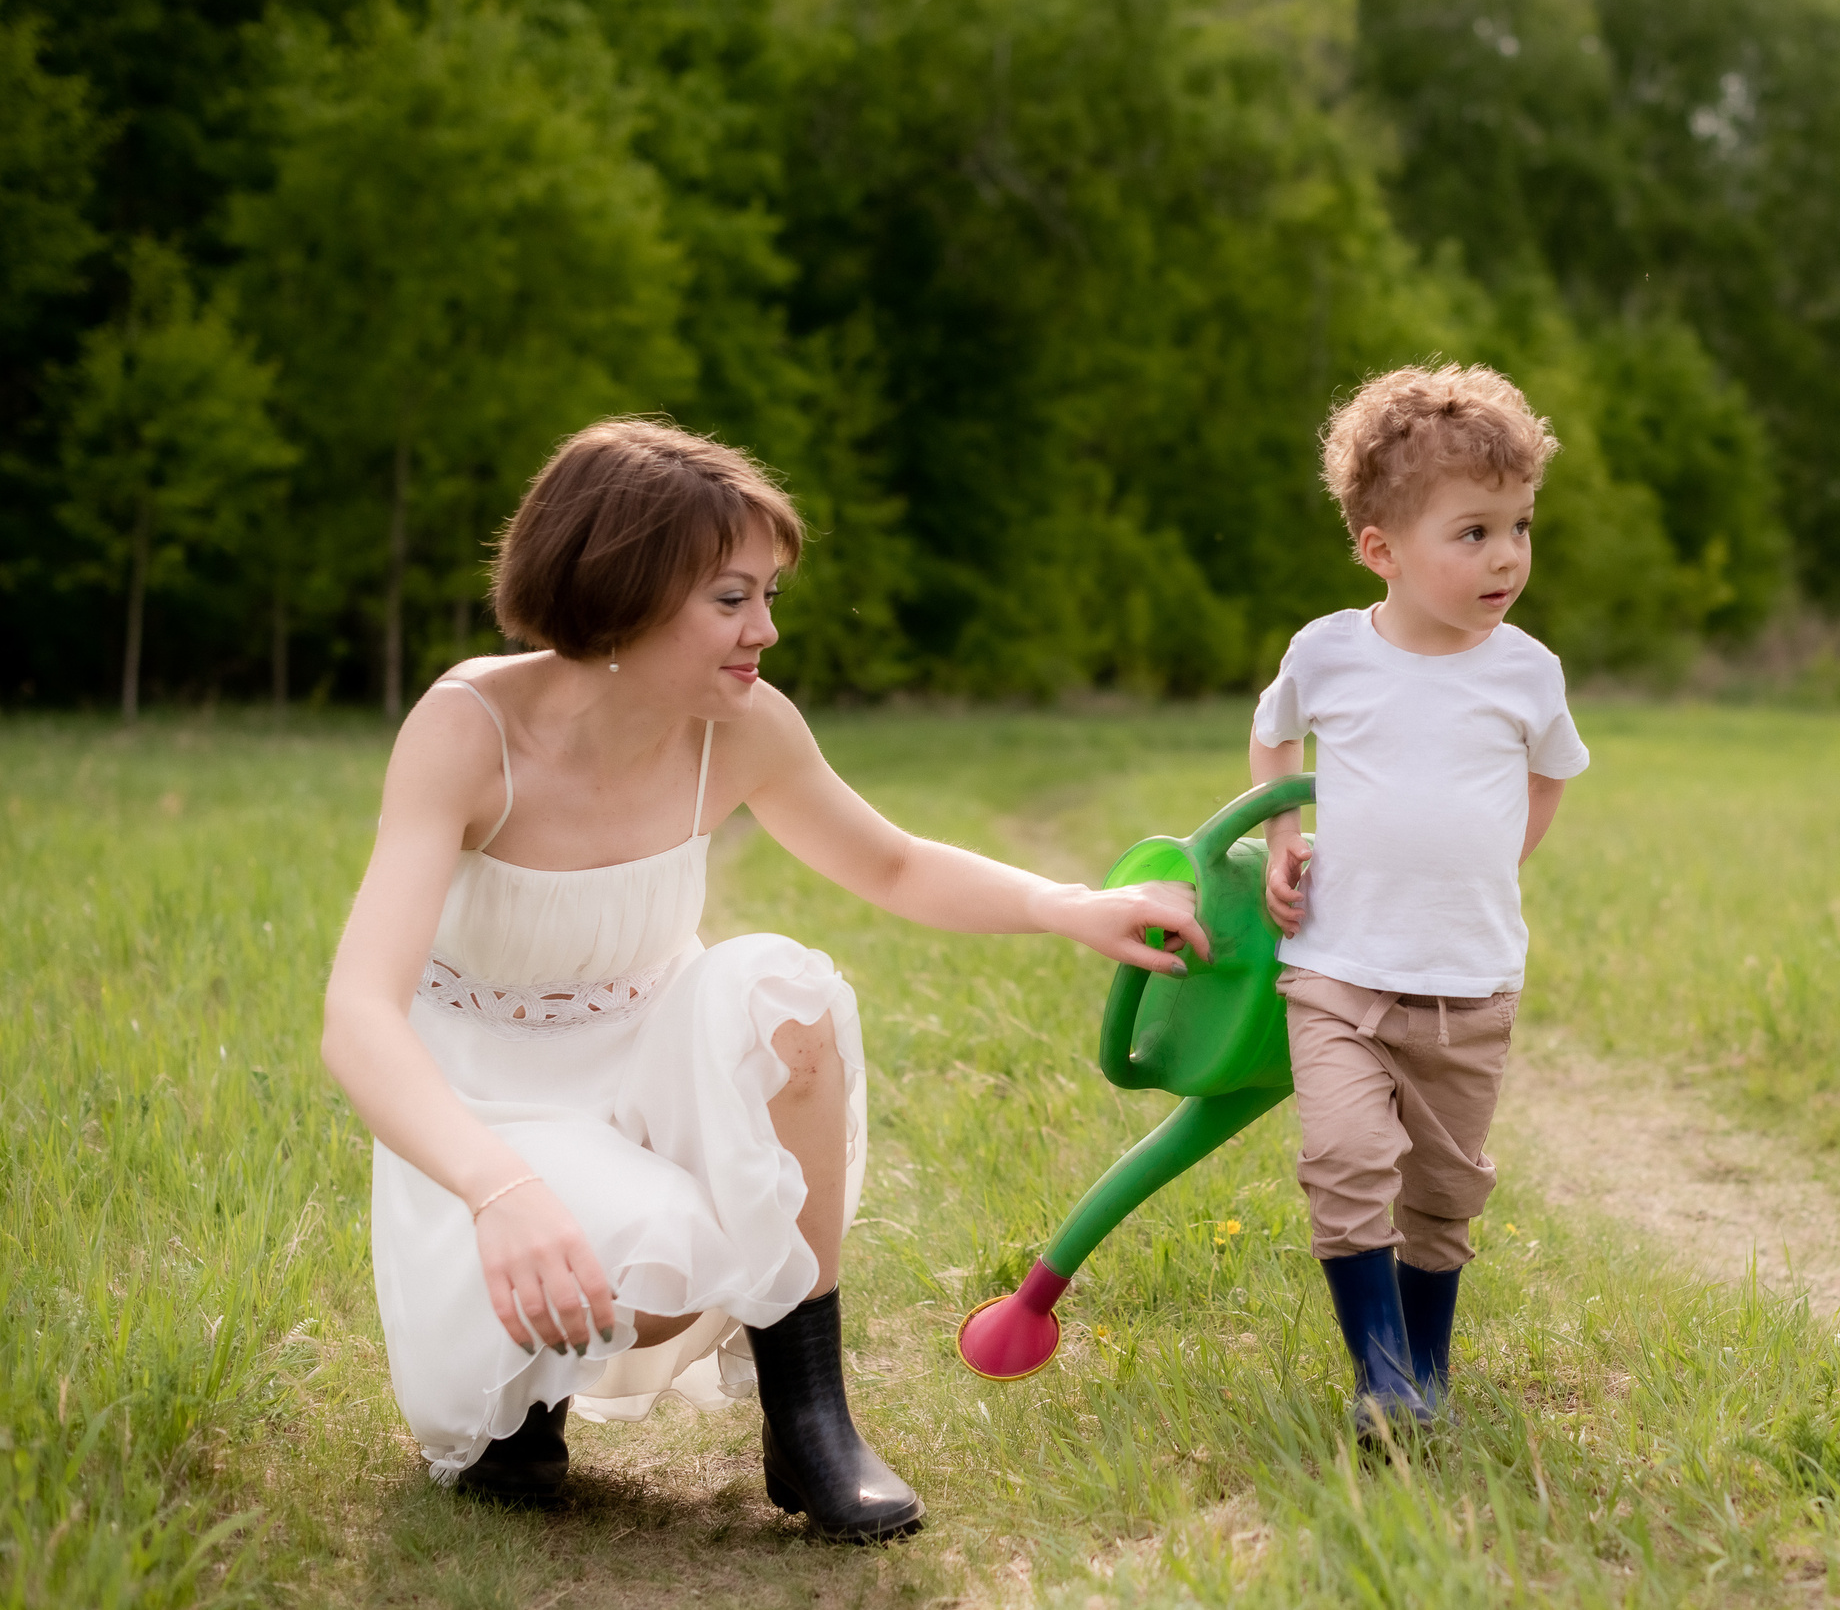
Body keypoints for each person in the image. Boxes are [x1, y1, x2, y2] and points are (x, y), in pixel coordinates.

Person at [321, 419, 1205, 1540]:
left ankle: (810, 1414)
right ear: (623, 589)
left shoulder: (740, 726)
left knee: (783, 990)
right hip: (486, 1101)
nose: (766, 630)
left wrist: (1068, 906)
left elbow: (891, 863)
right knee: (648, 1257)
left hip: (650, 1057)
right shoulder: (469, 730)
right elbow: (359, 1016)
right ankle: (520, 1401)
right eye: (732, 599)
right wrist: (499, 1188)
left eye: (769, 595)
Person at [1247, 364, 1588, 1433]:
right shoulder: (1328, 653)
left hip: (1468, 980)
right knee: (1346, 1161)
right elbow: (1273, 736)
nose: (1508, 556)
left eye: (1520, 525)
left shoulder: (1527, 671)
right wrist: (1284, 837)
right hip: (1338, 965)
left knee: (1443, 1192)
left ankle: (1425, 1370)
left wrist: (1491, 862)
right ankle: (1381, 1373)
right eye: (1473, 532)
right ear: (1380, 549)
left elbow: (1549, 774)